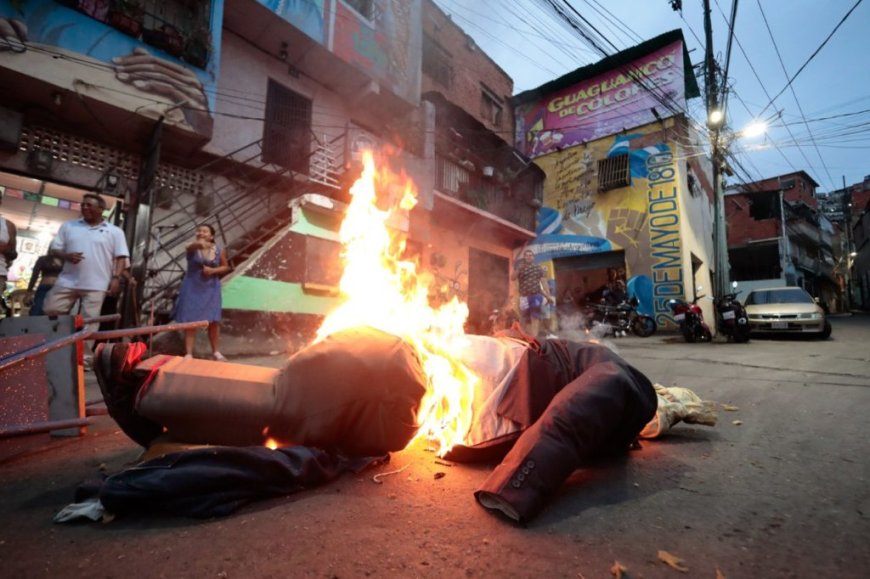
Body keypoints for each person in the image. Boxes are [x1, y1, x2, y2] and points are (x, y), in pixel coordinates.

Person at [92, 325, 662, 523]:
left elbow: (569, 422)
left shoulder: (623, 391)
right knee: (296, 404)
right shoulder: (615, 384)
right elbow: (574, 413)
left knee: (296, 400)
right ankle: (154, 399)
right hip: (427, 382)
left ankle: (150, 390)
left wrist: (519, 486)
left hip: (423, 391)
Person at [43, 193, 131, 335]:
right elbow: (55, 249)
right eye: (83, 204)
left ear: (101, 209)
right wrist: (67, 256)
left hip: (97, 284)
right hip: (68, 280)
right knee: (51, 310)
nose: (84, 207)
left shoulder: (115, 232)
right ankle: (56, 343)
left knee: (89, 322)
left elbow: (121, 256)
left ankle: (84, 350)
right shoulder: (69, 226)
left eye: (89, 205)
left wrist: (116, 278)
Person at [173, 224, 230, 361]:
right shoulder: (192, 248)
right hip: (192, 287)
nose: (201, 233)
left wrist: (213, 270)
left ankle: (216, 352)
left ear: (212, 236)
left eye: (205, 231)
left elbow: (225, 267)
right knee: (191, 320)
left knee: (213, 320)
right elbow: (190, 246)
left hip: (211, 288)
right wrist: (200, 244)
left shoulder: (219, 249)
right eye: (199, 231)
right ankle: (189, 353)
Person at [510, 249, 552, 337]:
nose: (529, 257)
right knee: (523, 317)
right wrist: (518, 269)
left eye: (530, 255)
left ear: (533, 257)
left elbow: (544, 282)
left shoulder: (538, 268)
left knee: (535, 317)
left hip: (536, 296)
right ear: (524, 257)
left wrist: (548, 296)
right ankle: (522, 336)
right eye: (527, 255)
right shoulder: (521, 267)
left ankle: (534, 338)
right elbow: (513, 278)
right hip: (524, 297)